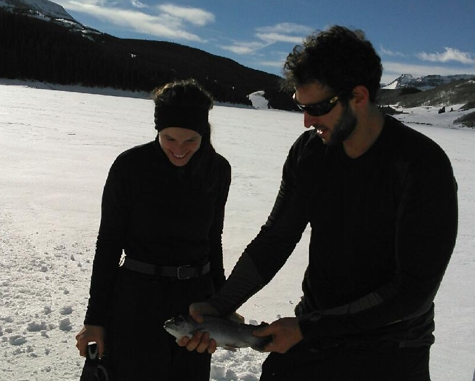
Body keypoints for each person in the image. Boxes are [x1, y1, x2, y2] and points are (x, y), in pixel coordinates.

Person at [180, 26, 458, 380]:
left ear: (358, 95)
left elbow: (412, 292)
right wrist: (218, 307)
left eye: (318, 108)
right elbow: (275, 240)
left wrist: (307, 328)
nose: (307, 121)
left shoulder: (420, 166)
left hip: (393, 348)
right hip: (316, 335)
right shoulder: (308, 154)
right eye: (301, 106)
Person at [75, 79, 231, 380]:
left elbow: (214, 241)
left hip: (195, 304)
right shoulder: (130, 166)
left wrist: (222, 304)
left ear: (204, 133)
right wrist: (95, 319)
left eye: (191, 141)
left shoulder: (217, 170)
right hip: (137, 301)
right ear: (158, 130)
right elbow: (108, 244)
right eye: (170, 139)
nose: (180, 150)